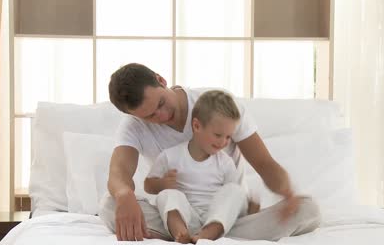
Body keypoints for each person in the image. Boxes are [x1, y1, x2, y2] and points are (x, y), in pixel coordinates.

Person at [99, 63, 320, 242]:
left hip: (227, 212)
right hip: (179, 214)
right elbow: (119, 170)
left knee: (306, 209)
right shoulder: (133, 127)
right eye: (149, 116)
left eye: (161, 104)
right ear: (135, 116)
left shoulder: (217, 104)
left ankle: (206, 234)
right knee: (109, 206)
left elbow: (263, 163)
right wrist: (124, 194)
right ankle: (199, 235)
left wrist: (288, 194)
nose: (162, 116)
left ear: (161, 79)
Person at [144, 90, 249, 243]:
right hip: (186, 216)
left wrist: (246, 206)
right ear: (197, 126)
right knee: (167, 194)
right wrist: (162, 184)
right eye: (218, 135)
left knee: (235, 191)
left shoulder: (225, 162)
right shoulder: (170, 156)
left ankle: (207, 234)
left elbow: (230, 199)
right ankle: (181, 234)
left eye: (228, 137)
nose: (224, 142)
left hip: (215, 219)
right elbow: (148, 185)